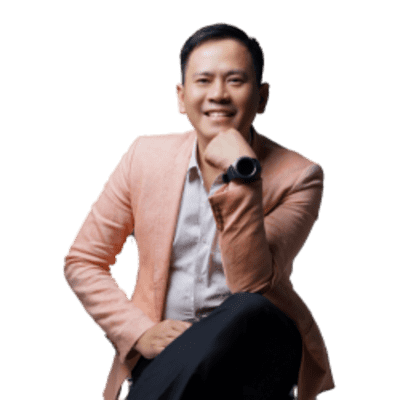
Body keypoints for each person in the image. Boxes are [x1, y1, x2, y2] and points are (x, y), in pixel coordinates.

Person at [63, 22, 335, 400]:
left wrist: (242, 174)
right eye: (204, 80)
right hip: (164, 357)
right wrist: (139, 331)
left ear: (262, 98)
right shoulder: (144, 156)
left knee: (250, 308)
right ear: (181, 97)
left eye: (235, 80)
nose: (218, 95)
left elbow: (251, 283)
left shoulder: (301, 175)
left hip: (255, 354)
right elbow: (84, 260)